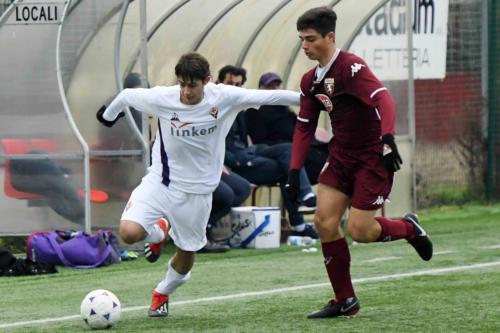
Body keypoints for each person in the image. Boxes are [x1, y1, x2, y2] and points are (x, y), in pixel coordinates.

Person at [96, 52, 300, 318]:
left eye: (192, 85)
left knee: (187, 253)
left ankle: (163, 291)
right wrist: (107, 117)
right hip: (161, 181)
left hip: (199, 192)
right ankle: (158, 233)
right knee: (129, 232)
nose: (185, 91)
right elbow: (126, 96)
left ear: (207, 81)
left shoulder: (225, 97)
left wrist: (311, 99)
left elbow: (269, 97)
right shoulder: (165, 98)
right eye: (182, 84)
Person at [285, 7, 433, 319]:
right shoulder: (309, 80)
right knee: (324, 222)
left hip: (370, 159)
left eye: (310, 39)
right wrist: (294, 170)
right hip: (340, 157)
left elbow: (384, 98)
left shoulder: (351, 67)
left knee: (361, 231)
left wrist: (388, 138)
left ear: (330, 37)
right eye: (301, 40)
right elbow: (304, 126)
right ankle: (345, 300)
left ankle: (409, 228)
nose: (305, 46)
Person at [218, 65, 318, 238]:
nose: (234, 88)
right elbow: (214, 144)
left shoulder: (240, 106)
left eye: (238, 85)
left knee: (289, 149)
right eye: (229, 83)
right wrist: (234, 160)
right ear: (218, 83)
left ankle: (306, 194)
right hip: (235, 162)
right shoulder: (213, 110)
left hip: (249, 152)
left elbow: (244, 138)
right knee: (286, 169)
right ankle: (299, 223)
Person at [245, 72, 329, 184]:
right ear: (261, 88)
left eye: (277, 85)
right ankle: (304, 196)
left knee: (332, 153)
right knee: (314, 158)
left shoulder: (284, 108)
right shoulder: (255, 111)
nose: (275, 88)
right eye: (271, 86)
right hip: (283, 147)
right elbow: (260, 140)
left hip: (301, 144)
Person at [200, 167, 251, 253]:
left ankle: (206, 226)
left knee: (243, 189)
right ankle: (200, 235)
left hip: (211, 164)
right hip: (192, 167)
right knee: (226, 196)